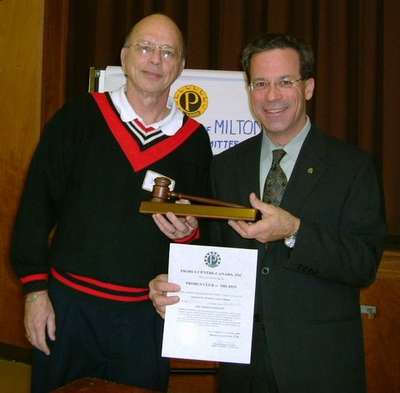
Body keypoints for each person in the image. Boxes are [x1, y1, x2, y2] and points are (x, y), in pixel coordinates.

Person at [149, 33, 386, 393]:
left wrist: (294, 231)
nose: (271, 96)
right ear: (249, 91)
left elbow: (363, 264)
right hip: (242, 369)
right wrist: (183, 260)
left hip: (321, 368)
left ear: (308, 87)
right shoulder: (226, 167)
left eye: (284, 82)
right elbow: (216, 253)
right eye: (260, 84)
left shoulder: (351, 167)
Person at [11, 13, 211, 393]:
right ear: (124, 56)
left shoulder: (194, 140)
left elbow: (202, 229)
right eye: (146, 48)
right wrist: (35, 292)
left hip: (146, 320)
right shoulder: (79, 117)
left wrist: (189, 235)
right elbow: (35, 208)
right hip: (68, 311)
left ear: (181, 67)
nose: (156, 59)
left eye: (168, 52)